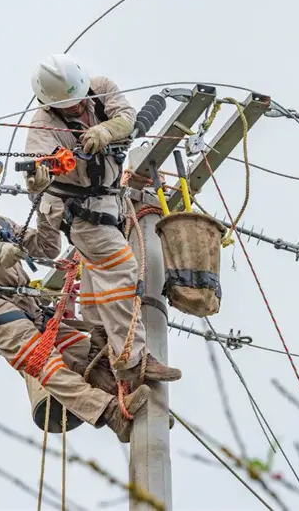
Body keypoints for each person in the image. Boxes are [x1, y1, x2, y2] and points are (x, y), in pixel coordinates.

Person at [0, 153, 148, 442]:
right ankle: (108, 411)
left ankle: (128, 402)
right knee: (45, 361)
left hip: (30, 310)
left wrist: (41, 199)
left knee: (92, 352)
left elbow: (46, 247)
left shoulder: (0, 222)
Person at [24, 53, 182, 388]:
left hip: (109, 203)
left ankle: (100, 349)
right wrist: (39, 176)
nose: (76, 107)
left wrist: (105, 130)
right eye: (68, 105)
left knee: (99, 284)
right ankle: (133, 360)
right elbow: (37, 170)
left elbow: (126, 117)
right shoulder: (43, 126)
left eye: (78, 99)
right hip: (79, 211)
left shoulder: (101, 88)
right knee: (122, 273)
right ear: (51, 103)